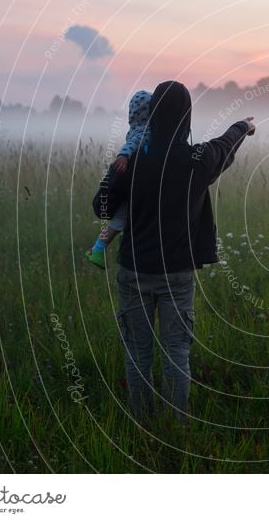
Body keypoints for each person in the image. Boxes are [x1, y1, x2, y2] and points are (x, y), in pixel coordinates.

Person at [93, 80, 255, 423]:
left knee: (138, 355)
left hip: (133, 271)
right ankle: (176, 428)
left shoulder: (135, 158)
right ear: (187, 116)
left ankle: (142, 422)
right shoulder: (197, 159)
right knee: (176, 353)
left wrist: (118, 169)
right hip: (177, 275)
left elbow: (101, 206)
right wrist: (244, 126)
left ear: (151, 115)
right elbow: (224, 146)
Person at [86, 90, 152, 269]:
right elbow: (133, 144)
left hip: (130, 186)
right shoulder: (145, 130)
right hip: (132, 187)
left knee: (125, 220)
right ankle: (97, 249)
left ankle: (108, 250)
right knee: (120, 220)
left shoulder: (135, 128)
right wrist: (123, 155)